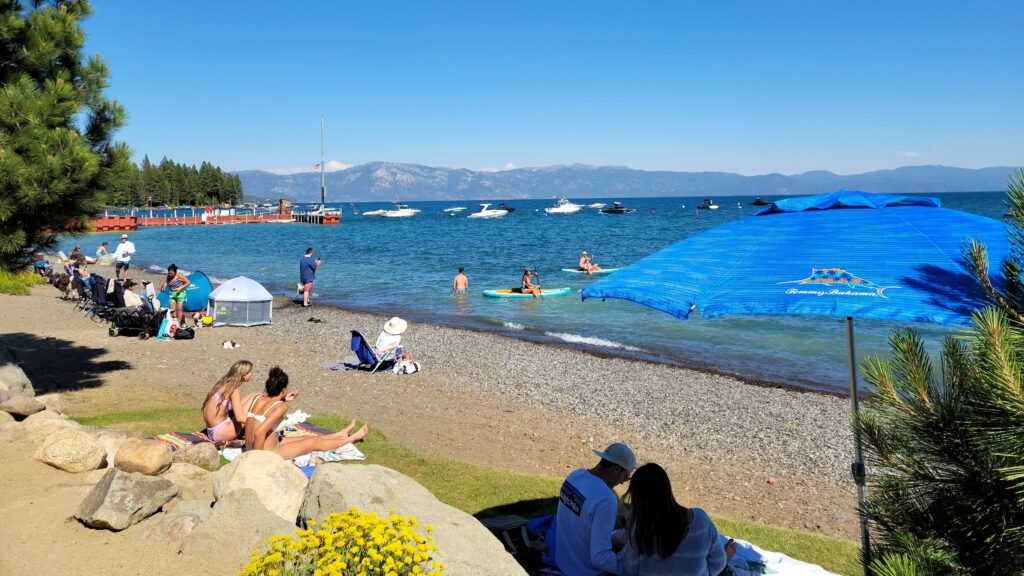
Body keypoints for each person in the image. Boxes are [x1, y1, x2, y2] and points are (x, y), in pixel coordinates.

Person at [617, 463, 735, 575]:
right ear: (667, 490)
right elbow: (718, 563)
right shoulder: (701, 521)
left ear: (638, 500)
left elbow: (628, 571)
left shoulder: (639, 531)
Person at [244, 366, 368, 459]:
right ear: (283, 389)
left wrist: (284, 398)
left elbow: (267, 408)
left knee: (306, 437)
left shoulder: (257, 397)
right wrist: (257, 459)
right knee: (315, 442)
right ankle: (352, 438)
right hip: (268, 452)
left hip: (254, 446)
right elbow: (259, 432)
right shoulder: (281, 407)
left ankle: (341, 434)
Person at [557, 443, 637, 576]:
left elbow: (580, 525)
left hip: (562, 561)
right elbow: (600, 558)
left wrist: (611, 536)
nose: (623, 482)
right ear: (617, 469)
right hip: (584, 571)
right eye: (626, 476)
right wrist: (632, 569)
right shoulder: (606, 499)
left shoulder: (575, 476)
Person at [202, 360, 259, 444]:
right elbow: (240, 417)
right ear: (244, 374)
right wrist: (260, 422)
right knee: (256, 397)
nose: (252, 374)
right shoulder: (234, 388)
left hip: (212, 430)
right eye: (251, 372)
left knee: (254, 394)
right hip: (220, 432)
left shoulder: (225, 382)